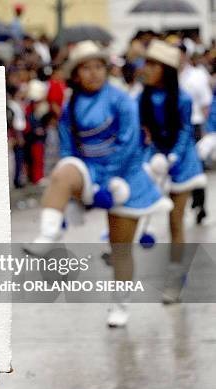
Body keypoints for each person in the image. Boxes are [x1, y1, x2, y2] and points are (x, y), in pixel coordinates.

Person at [24, 41, 173, 327]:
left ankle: (120, 305)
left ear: (106, 69)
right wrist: (77, 190)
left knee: (121, 249)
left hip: (125, 177)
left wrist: (107, 183)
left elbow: (130, 146)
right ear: (76, 74)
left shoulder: (121, 99)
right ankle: (48, 233)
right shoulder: (72, 103)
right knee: (63, 172)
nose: (93, 73)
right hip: (91, 170)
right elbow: (68, 147)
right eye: (85, 68)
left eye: (98, 67)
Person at [140, 40, 207, 304]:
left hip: (183, 164)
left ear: (166, 69)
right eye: (147, 63)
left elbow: (184, 132)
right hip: (155, 159)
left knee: (174, 220)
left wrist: (174, 156)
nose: (147, 69)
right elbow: (142, 133)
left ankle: (175, 278)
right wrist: (150, 157)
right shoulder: (141, 97)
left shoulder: (183, 98)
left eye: (153, 64)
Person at [179, 49, 213, 224]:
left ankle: (200, 203)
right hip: (175, 127)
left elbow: (205, 103)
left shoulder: (196, 76)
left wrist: (205, 130)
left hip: (194, 125)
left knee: (196, 164)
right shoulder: (167, 75)